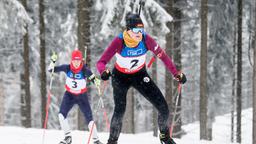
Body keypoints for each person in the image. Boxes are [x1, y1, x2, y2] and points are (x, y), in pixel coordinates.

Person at [96, 13, 187, 144]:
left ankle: (165, 137)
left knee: (163, 107)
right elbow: (101, 62)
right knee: (120, 111)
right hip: (120, 77)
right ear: (128, 30)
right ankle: (112, 141)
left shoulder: (146, 39)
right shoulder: (119, 41)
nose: (140, 33)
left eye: (142, 30)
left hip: (139, 75)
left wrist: (176, 73)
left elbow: (163, 56)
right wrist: (103, 72)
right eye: (136, 30)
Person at [49, 49, 103, 144]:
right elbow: (51, 70)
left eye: (78, 61)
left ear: (81, 61)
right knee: (61, 115)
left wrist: (97, 82)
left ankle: (96, 140)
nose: (76, 63)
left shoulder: (85, 70)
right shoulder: (67, 68)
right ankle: (67, 137)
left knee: (89, 119)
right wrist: (52, 62)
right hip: (69, 95)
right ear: (72, 60)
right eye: (75, 60)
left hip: (82, 96)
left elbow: (94, 79)